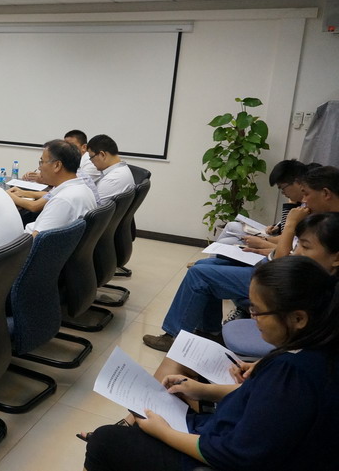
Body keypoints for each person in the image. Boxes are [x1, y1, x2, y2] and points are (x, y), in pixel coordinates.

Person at [83, 255, 339, 471]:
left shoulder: (292, 374)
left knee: (105, 441)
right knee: (162, 404)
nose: (253, 318)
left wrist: (164, 433)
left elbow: (236, 454)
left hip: (220, 453)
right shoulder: (314, 351)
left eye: (258, 311)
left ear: (298, 319)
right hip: (226, 432)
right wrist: (202, 391)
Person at [143, 166, 339, 352]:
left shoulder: (330, 226)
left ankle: (175, 336)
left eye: (307, 194)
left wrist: (289, 226)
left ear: (325, 193)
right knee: (205, 265)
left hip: (281, 280)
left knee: (200, 274)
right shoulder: (323, 218)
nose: (304, 200)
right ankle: (209, 331)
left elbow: (285, 262)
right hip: (276, 268)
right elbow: (292, 251)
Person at [215, 159, 309, 248]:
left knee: (225, 242)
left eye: (282, 188)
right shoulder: (301, 203)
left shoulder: (308, 207)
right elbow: (286, 229)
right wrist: (277, 227)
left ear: (298, 182)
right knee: (231, 226)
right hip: (275, 240)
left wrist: (262, 240)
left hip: (278, 246)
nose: (283, 193)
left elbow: (286, 237)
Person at [14, 139, 96, 236]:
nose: (39, 168)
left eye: (42, 162)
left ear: (57, 165)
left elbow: (36, 240)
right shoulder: (83, 189)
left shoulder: (63, 200)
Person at [86, 134, 134, 201]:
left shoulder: (111, 180)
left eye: (91, 157)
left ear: (102, 155)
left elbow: (92, 206)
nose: (91, 161)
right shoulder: (122, 169)